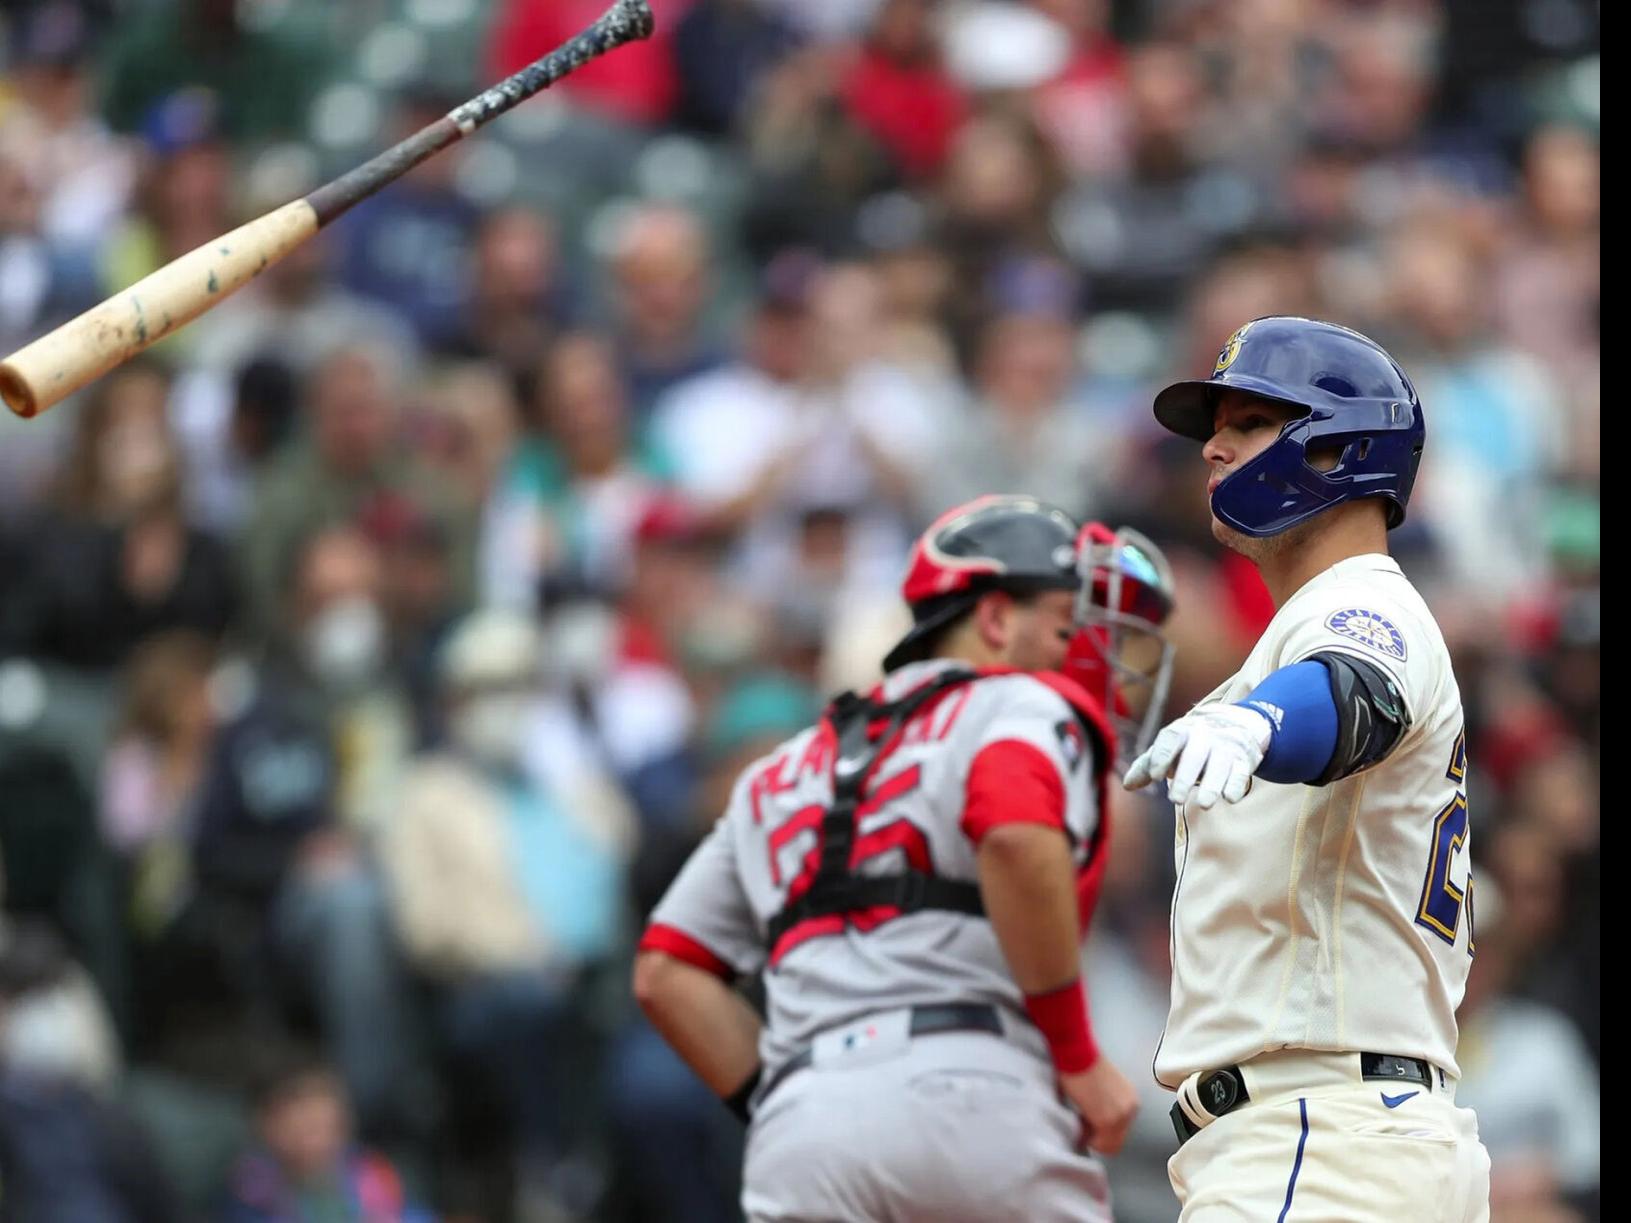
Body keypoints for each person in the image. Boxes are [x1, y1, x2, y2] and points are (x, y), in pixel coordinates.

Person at [634, 494, 1175, 1222]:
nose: (1079, 651)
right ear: (993, 619)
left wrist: (791, 1096)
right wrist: (1076, 1055)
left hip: (802, 1130)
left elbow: (667, 971)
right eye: (1063, 625)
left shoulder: (786, 762)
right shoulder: (1019, 703)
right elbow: (1014, 832)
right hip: (975, 1091)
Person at [1122, 316, 1492, 1220]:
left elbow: (1352, 692)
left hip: (1315, 1142)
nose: (1211, 446)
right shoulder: (1304, 626)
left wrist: (1256, 726)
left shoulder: (1363, 600)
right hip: (1353, 1135)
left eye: (1247, 422)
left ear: (1338, 450)